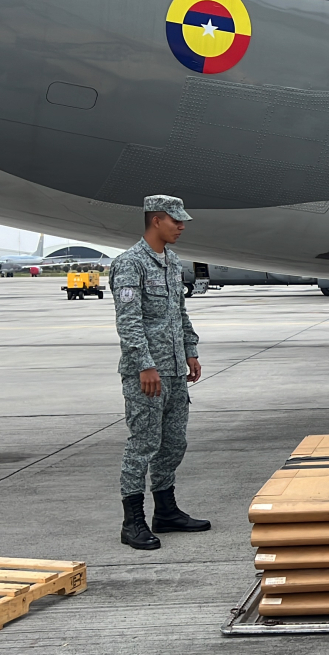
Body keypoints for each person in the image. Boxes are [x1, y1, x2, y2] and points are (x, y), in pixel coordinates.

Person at [109, 195, 210, 550]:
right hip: (146, 373)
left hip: (173, 371)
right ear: (156, 221)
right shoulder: (130, 263)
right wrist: (145, 365)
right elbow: (129, 321)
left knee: (174, 443)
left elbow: (179, 313)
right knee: (143, 444)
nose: (181, 226)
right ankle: (132, 521)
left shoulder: (171, 261)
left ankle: (165, 511)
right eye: (175, 221)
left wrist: (190, 352)